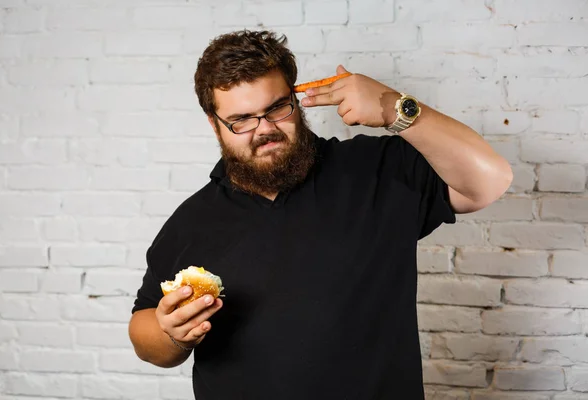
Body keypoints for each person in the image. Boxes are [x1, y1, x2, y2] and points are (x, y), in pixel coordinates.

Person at [129, 30, 512, 399]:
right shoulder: (192, 221)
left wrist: (397, 108)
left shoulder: (377, 171)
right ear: (215, 126)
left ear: (296, 100)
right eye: (242, 120)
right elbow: (145, 335)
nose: (264, 130)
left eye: (277, 108)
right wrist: (172, 334)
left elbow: (489, 181)